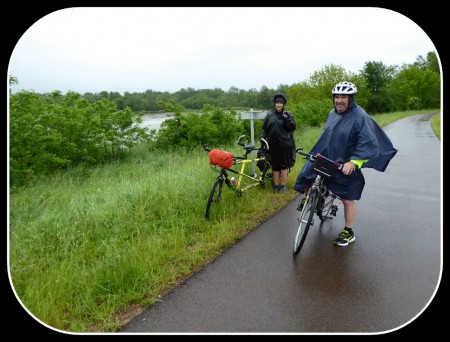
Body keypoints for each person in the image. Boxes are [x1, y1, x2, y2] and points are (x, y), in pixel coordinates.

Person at [294, 81, 398, 246]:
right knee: (305, 177)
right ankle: (313, 199)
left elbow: (368, 143)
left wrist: (354, 162)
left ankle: (349, 231)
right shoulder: (332, 113)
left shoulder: (360, 117)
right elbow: (327, 135)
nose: (339, 100)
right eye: (336, 97)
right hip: (326, 156)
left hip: (345, 163)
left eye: (343, 97)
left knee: (347, 199)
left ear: (351, 99)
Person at [261, 93, 297, 194]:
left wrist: (287, 118)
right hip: (272, 144)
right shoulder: (269, 115)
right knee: (275, 166)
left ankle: (283, 185)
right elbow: (264, 129)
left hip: (285, 144)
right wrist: (262, 139)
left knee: (283, 166)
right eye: (277, 102)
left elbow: (292, 127)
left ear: (284, 104)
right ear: (274, 103)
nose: (279, 104)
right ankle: (276, 185)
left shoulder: (288, 114)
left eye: (281, 103)